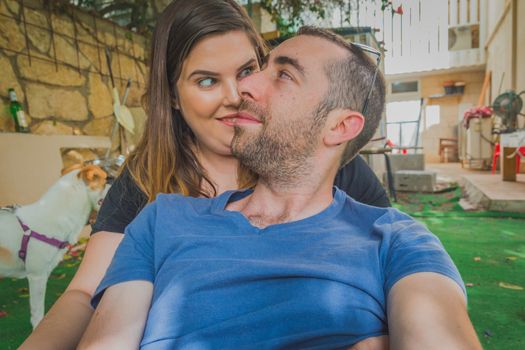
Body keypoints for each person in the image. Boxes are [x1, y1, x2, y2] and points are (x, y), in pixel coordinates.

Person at [78, 27, 481, 349]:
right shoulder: (161, 219)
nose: (244, 87)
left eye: (283, 75)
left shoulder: (398, 242)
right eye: (260, 68)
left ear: (339, 126)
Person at [20, 1, 389, 349]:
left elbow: (389, 271)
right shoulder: (147, 180)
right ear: (174, 97)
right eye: (207, 81)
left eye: (247, 70)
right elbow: (85, 294)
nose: (237, 94)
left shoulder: (330, 168)